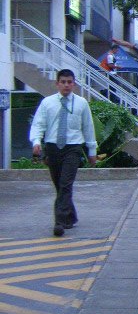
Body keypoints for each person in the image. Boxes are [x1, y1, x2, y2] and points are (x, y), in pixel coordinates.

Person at [30, 69, 97, 237]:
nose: (66, 85)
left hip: (73, 148)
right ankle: (70, 216)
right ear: (57, 83)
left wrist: (92, 151)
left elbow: (88, 128)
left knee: (66, 184)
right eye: (63, 82)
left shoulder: (81, 103)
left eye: (69, 82)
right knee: (59, 185)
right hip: (53, 148)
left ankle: (59, 222)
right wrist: (37, 142)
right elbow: (39, 124)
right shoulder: (47, 103)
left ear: (74, 84)